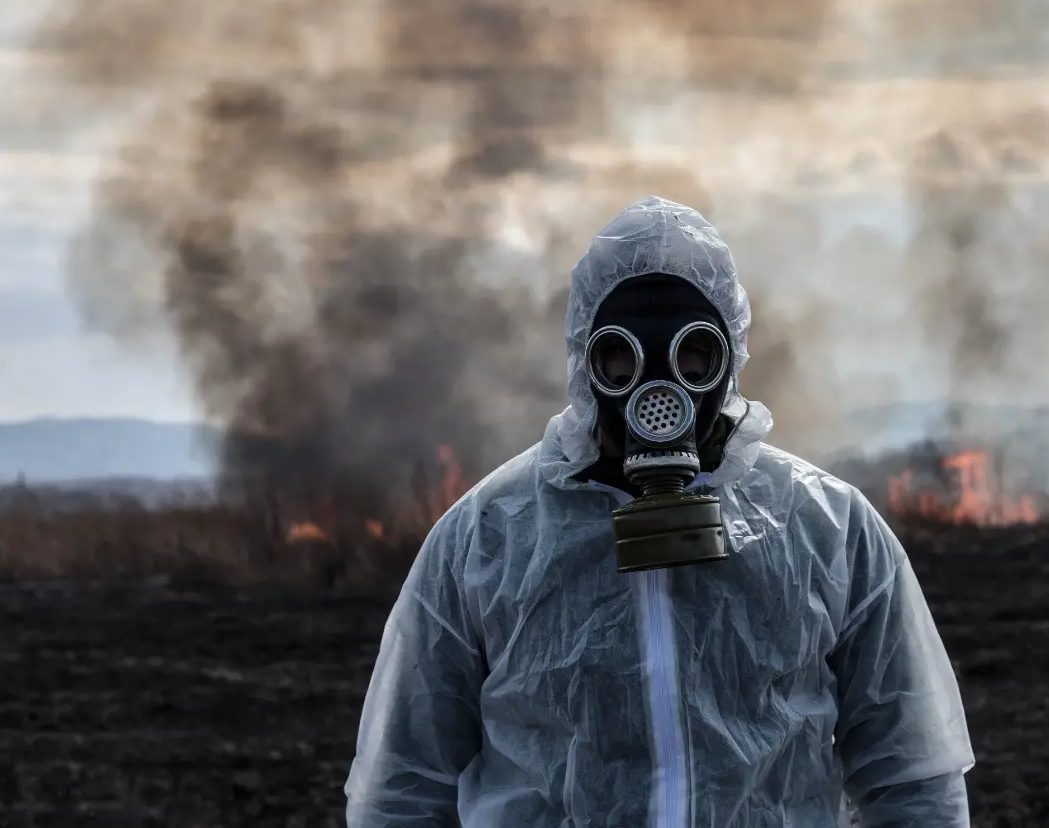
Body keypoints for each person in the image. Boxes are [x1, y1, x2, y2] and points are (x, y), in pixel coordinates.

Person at [344, 196, 975, 827]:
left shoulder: (826, 529)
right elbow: (403, 787)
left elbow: (912, 777)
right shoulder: (488, 537)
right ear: (584, 362)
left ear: (729, 358)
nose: (659, 385)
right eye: (620, 355)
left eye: (693, 351)